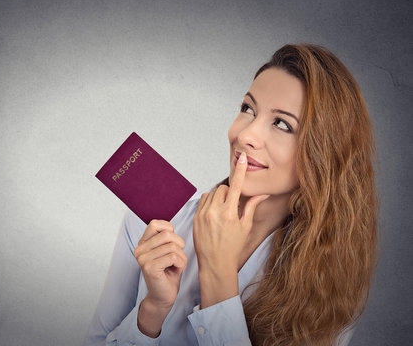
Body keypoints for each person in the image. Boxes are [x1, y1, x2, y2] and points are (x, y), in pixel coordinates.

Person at [83, 44, 378, 346]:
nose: (245, 135)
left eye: (281, 124)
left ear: (323, 155)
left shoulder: (331, 279)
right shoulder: (152, 220)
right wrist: (151, 312)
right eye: (248, 109)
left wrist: (219, 277)